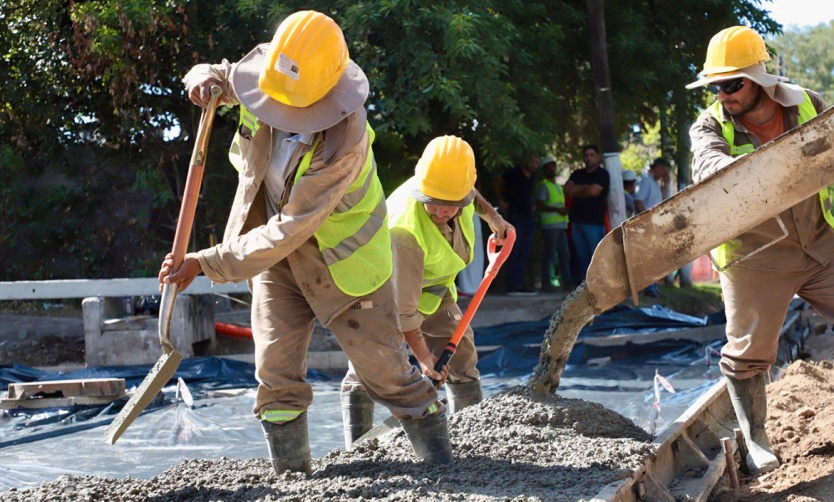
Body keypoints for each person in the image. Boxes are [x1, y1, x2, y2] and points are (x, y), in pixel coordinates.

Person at [158, 10, 452, 474]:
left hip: (346, 264)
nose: (282, 113)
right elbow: (223, 74)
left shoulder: (345, 141)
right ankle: (293, 478)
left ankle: (444, 468)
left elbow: (292, 226)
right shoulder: (272, 76)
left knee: (388, 376)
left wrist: (207, 261)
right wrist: (205, 77)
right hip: (278, 264)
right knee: (274, 372)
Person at [687, 25, 834, 475]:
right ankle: (756, 439)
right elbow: (708, 166)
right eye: (716, 86)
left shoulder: (808, 102)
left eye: (732, 84)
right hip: (757, 254)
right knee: (747, 353)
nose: (724, 95)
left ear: (759, 79)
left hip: (821, 237)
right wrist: (757, 171)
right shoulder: (709, 124)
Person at [341, 136, 512, 448]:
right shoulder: (404, 232)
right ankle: (358, 448)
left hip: (432, 289)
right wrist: (424, 359)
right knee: (371, 364)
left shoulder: (452, 187)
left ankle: (470, 438)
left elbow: (471, 195)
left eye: (449, 207)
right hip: (377, 291)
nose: (439, 211)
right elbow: (404, 312)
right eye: (432, 203)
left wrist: (493, 218)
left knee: (461, 355)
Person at [494, 154, 539, 295]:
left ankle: (519, 284)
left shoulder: (533, 176)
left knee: (524, 252)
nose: (533, 164)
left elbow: (529, 193)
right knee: (514, 251)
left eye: (536, 162)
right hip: (516, 216)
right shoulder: (513, 172)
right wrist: (500, 200)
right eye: (531, 161)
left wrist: (532, 204)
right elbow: (497, 181)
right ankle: (512, 285)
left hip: (529, 217)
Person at [564, 145, 609, 284]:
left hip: (595, 223)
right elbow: (567, 189)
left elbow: (594, 191)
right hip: (577, 222)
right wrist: (586, 186)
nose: (588, 158)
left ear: (598, 156)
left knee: (596, 258)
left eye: (592, 155)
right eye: (586, 155)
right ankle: (585, 287)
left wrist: (578, 190)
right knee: (581, 257)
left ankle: (600, 287)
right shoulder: (577, 174)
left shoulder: (602, 174)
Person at [634, 157, 671, 297]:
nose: (664, 173)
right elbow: (638, 202)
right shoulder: (645, 179)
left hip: (654, 225)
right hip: (645, 226)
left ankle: (652, 285)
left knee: (654, 257)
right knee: (648, 257)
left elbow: (659, 200)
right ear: (659, 167)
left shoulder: (654, 182)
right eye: (664, 170)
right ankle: (647, 287)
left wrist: (665, 183)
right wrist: (646, 220)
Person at [535, 156, 573, 292]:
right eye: (548, 167)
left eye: (553, 166)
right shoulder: (544, 185)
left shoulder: (557, 186)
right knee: (550, 255)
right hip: (550, 226)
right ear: (544, 170)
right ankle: (546, 284)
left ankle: (567, 284)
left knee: (564, 254)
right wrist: (558, 210)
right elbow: (539, 204)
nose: (552, 169)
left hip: (561, 225)